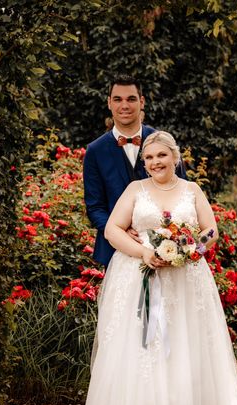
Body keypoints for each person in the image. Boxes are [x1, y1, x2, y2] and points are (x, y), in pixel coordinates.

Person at [79, 131, 237, 405]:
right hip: (142, 277)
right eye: (149, 158)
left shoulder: (192, 190)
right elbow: (111, 230)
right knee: (142, 348)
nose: (155, 163)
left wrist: (188, 251)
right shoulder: (135, 190)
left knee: (182, 347)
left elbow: (210, 231)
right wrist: (143, 253)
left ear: (175, 157)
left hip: (185, 279)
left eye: (161, 156)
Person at [83, 75, 186, 267]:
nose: (124, 105)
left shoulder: (163, 143)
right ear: (109, 103)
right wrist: (118, 231)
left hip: (166, 250)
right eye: (117, 99)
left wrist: (169, 235)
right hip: (115, 251)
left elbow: (182, 189)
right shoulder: (95, 151)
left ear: (142, 101)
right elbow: (95, 206)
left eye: (131, 99)